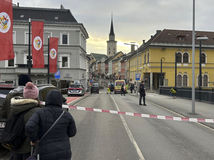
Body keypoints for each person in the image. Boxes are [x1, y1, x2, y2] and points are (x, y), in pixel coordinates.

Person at [25, 90, 76, 160]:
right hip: (64, 153)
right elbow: (72, 133)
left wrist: (34, 139)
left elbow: (29, 126)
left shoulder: (39, 113)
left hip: (45, 152)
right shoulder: (66, 115)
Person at [9, 82, 40, 160]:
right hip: (28, 149)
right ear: (36, 96)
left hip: (15, 145)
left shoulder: (14, 108)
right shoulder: (37, 111)